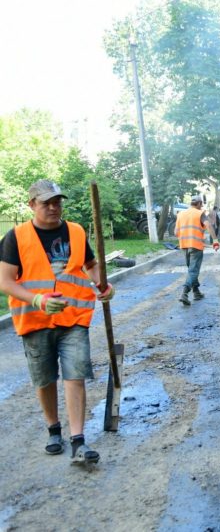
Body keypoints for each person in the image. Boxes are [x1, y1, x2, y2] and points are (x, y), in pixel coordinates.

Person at [0, 180, 115, 466]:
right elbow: (4, 281)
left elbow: (89, 265)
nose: (53, 207)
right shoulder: (15, 237)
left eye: (57, 202)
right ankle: (54, 430)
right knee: (45, 378)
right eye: (46, 203)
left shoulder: (75, 231)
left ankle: (78, 440)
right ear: (32, 205)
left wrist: (103, 284)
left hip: (74, 319)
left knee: (75, 374)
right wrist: (37, 300)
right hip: (36, 320)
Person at [175, 196, 219, 305]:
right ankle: (184, 293)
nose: (202, 207)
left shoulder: (180, 214)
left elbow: (176, 232)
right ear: (198, 203)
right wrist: (215, 241)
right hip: (196, 246)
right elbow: (208, 225)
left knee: (191, 270)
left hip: (184, 246)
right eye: (201, 204)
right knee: (193, 271)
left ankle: (196, 292)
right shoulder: (200, 213)